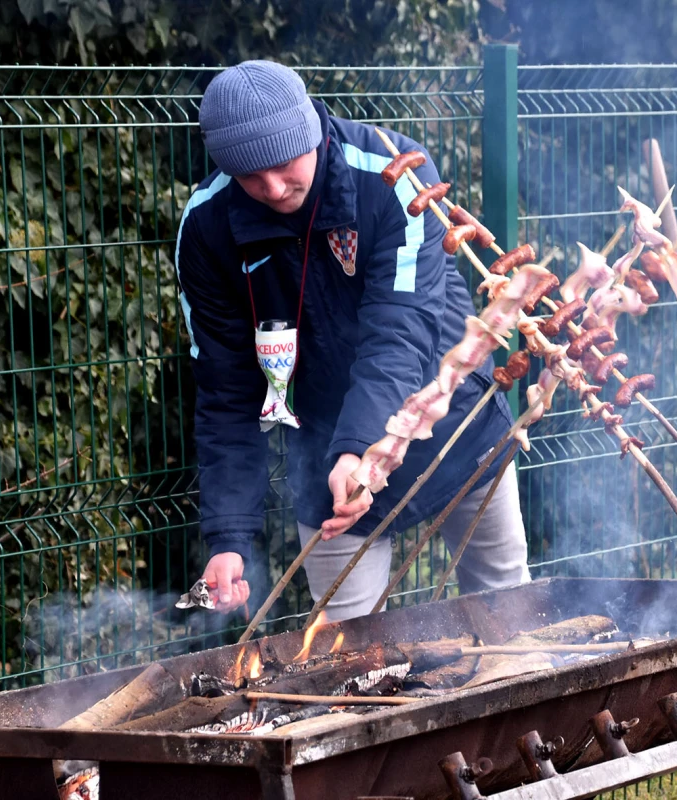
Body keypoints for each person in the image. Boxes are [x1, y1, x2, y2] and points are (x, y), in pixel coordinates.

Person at [174, 60, 531, 621]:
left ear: (311, 134)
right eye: (249, 176)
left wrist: (362, 448)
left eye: (282, 164)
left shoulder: (394, 178)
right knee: (345, 644)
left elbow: (401, 331)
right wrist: (228, 537)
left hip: (452, 421)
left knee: (506, 606)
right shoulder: (206, 229)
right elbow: (224, 389)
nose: (271, 188)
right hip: (323, 456)